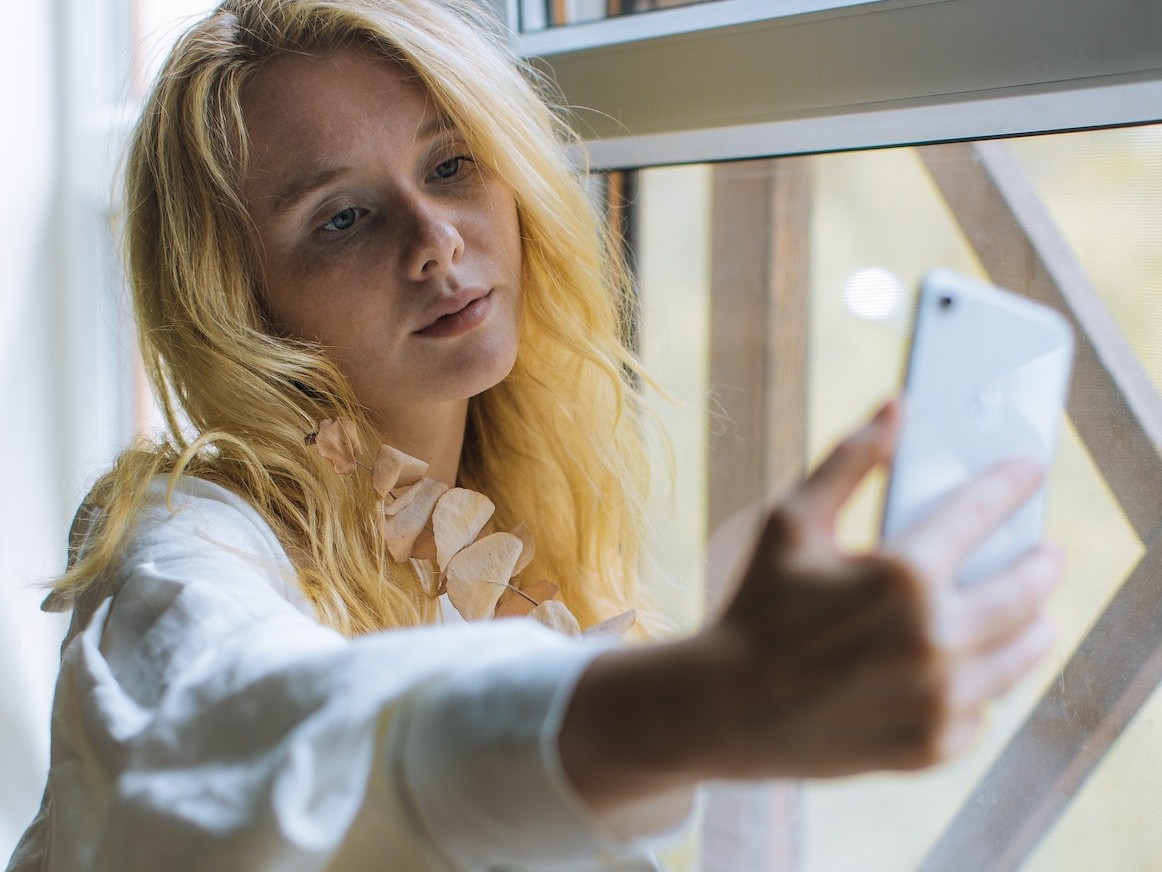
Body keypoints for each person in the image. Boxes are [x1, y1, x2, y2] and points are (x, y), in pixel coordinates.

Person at [7, 0, 1063, 869]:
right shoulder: (180, 530)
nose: (435, 240)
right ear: (238, 301)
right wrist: (711, 694)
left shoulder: (523, 529)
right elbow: (223, 743)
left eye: (453, 163)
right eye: (340, 217)